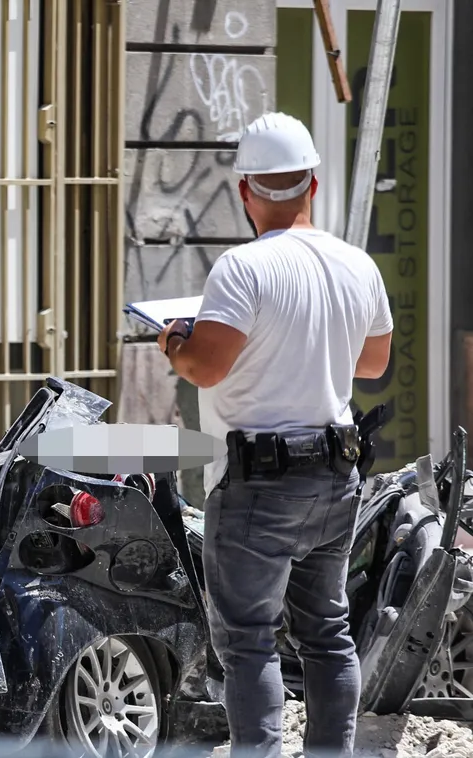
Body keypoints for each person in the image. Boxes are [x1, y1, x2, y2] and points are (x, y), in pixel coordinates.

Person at [158, 112, 393, 758]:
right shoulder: (355, 265)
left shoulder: (241, 269)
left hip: (260, 484)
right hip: (335, 476)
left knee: (248, 640)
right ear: (311, 185)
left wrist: (176, 344)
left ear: (244, 191)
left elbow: (204, 366)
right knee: (325, 632)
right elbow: (372, 364)